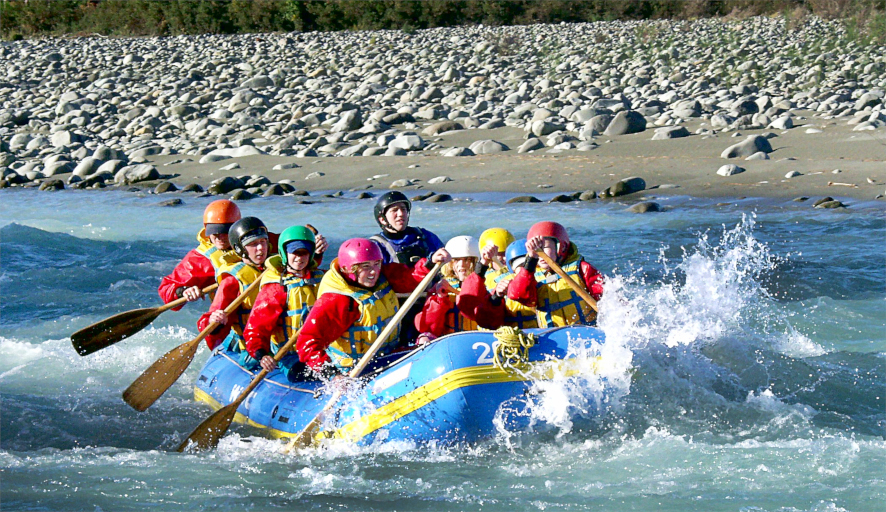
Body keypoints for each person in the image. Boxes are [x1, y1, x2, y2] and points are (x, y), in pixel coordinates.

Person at [296, 238, 450, 378]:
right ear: (348, 269)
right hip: (355, 369)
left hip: (388, 356)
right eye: (365, 267)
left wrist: (430, 262)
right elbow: (307, 342)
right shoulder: (336, 300)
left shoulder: (384, 274)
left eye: (376, 264)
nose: (373, 272)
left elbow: (409, 279)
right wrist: (333, 375)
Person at [242, 225, 328, 381]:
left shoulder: (323, 279)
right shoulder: (276, 288)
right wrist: (261, 354)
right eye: (294, 253)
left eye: (304, 253)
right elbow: (256, 326)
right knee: (305, 372)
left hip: (319, 349)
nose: (299, 258)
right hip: (291, 354)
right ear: (283, 253)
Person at [507, 221, 603, 327]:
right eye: (535, 249)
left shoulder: (581, 268)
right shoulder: (531, 275)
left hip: (586, 329)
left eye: (545, 247)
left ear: (562, 247)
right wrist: (531, 258)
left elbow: (604, 295)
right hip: (552, 333)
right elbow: (517, 295)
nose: (540, 253)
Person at [197, 217, 270, 351]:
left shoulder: (277, 269)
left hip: (280, 344)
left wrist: (317, 252)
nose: (260, 248)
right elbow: (209, 322)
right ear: (239, 248)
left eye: (263, 241)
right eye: (253, 244)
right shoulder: (232, 281)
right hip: (250, 347)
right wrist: (214, 320)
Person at [415, 236, 502, 340]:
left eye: (467, 260)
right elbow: (428, 326)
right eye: (456, 260)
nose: (462, 265)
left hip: (481, 339)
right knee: (424, 338)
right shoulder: (442, 287)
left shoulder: (489, 283)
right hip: (452, 341)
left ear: (476, 262)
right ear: (450, 264)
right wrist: (439, 299)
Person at [158, 200, 241, 310]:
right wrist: (183, 291)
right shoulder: (201, 259)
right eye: (215, 232)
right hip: (229, 317)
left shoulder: (257, 244)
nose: (219, 237)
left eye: (224, 231)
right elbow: (167, 288)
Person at [369, 191, 444, 265]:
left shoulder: (425, 236)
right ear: (382, 219)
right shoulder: (375, 246)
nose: (401, 214)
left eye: (403, 209)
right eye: (394, 210)